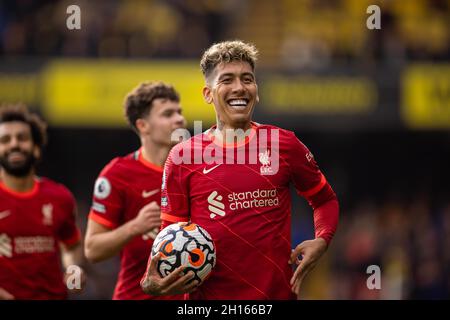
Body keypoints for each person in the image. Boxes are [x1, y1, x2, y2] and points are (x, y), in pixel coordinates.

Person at [141, 40, 339, 299]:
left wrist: (322, 240)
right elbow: (169, 237)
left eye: (247, 79)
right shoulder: (182, 157)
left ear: (256, 90)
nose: (239, 88)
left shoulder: (284, 144)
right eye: (227, 80)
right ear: (208, 93)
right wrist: (150, 282)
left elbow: (324, 199)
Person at [84, 82, 188, 299]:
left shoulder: (196, 170)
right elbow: (92, 249)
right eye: (168, 114)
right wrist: (135, 227)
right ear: (143, 125)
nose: (179, 119)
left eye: (179, 112)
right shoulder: (118, 174)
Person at [0, 104, 84, 300]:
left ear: (36, 149)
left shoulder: (59, 196)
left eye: (22, 138)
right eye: (5, 140)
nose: (14, 144)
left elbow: (71, 245)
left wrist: (73, 267)